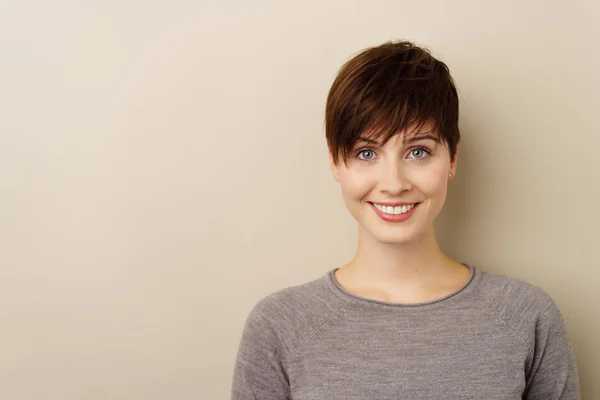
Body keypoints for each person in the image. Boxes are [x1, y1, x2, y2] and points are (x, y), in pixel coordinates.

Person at [231, 40, 580, 399]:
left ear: (452, 159)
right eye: (366, 153)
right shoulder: (279, 326)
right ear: (335, 162)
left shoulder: (526, 317)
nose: (394, 184)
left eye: (418, 151)